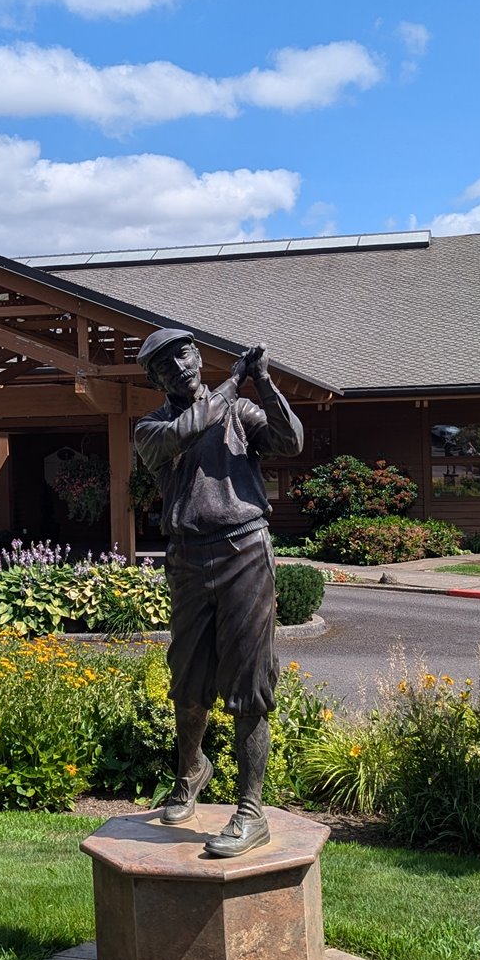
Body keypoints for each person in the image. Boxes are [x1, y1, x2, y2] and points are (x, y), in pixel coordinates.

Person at [132, 327, 304, 857]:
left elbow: (291, 441)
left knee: (249, 683)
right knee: (187, 678)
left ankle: (251, 811)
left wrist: (265, 383)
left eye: (184, 354)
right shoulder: (152, 427)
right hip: (187, 558)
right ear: (156, 379)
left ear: (197, 355)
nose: (179, 367)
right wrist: (234, 381)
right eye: (164, 365)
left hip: (244, 550)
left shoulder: (238, 412)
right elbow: (190, 427)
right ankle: (192, 769)